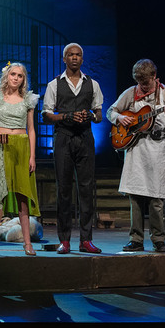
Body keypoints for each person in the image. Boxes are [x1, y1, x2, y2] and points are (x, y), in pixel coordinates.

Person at [107, 59, 165, 253]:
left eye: (146, 82)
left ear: (154, 76)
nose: (142, 86)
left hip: (158, 150)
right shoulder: (130, 93)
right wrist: (120, 117)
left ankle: (159, 240)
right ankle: (136, 239)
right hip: (136, 150)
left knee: (156, 199)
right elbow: (111, 111)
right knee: (136, 197)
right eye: (140, 82)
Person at [41, 43, 104, 254]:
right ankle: (65, 240)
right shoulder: (54, 85)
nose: (74, 58)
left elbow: (99, 115)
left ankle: (86, 240)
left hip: (85, 138)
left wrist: (89, 116)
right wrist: (67, 116)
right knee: (64, 191)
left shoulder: (92, 84)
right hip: (63, 139)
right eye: (70, 55)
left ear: (82, 59)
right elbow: (46, 114)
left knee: (86, 190)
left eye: (78, 55)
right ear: (64, 59)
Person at [0, 62, 39, 256]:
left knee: (23, 195)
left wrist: (32, 156)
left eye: (20, 76)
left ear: (24, 79)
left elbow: (31, 129)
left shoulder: (28, 99)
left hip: (22, 147)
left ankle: (28, 244)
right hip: (1, 147)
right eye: (13, 74)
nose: (16, 78)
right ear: (7, 76)